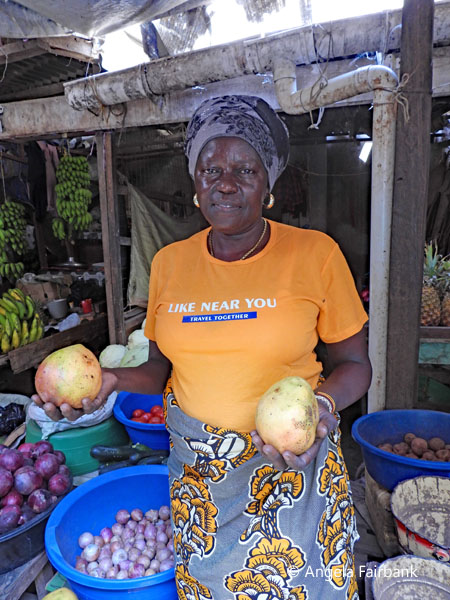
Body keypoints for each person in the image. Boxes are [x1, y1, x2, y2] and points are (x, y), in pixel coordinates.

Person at [33, 95, 371, 599]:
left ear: (268, 184)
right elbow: (158, 369)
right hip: (202, 484)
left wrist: (320, 407)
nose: (226, 183)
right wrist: (111, 382)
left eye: (244, 169)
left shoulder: (315, 255)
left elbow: (355, 365)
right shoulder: (169, 263)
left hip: (290, 466)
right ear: (195, 185)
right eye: (211, 170)